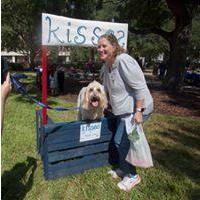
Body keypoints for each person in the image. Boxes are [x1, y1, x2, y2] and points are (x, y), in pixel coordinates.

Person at [97, 34, 153, 192]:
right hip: (124, 114)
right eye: (99, 46)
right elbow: (105, 89)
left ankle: (133, 176)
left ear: (114, 47)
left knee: (122, 143)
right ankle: (123, 168)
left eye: (104, 46)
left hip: (136, 111)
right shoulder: (107, 65)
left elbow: (140, 87)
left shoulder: (123, 60)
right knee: (121, 141)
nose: (100, 49)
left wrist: (139, 111)